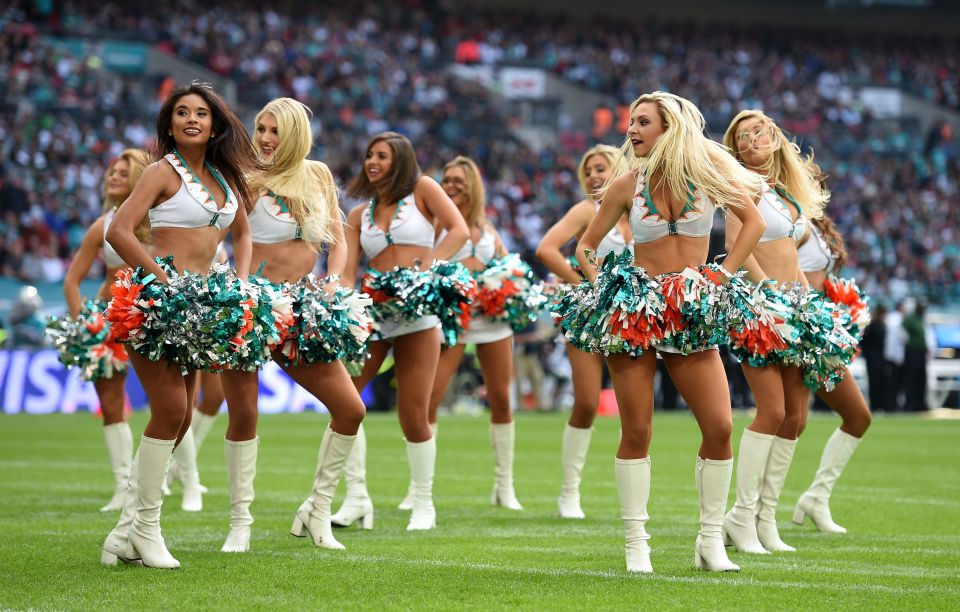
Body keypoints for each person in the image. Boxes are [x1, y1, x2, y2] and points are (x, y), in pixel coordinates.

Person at [558, 92, 766, 572]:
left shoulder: (708, 174)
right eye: (631, 122)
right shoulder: (626, 184)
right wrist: (610, 288)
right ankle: (637, 545)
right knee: (638, 430)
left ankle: (710, 541)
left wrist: (720, 273)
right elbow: (585, 249)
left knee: (719, 426)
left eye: (642, 122)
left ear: (669, 128)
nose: (630, 130)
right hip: (639, 312)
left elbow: (752, 222)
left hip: (691, 310)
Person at [100, 81, 257, 569]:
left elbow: (244, 232)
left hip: (203, 308)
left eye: (202, 114)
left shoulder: (224, 176)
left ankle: (123, 536)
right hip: (157, 303)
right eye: (182, 112)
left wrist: (241, 284)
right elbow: (119, 230)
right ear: (169, 124)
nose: (193, 119)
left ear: (215, 125)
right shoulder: (161, 171)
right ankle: (146, 532)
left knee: (184, 415)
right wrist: (161, 277)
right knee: (170, 410)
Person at [214, 97, 368, 553]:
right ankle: (239, 523)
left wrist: (336, 281)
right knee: (243, 414)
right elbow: (218, 234)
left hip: (301, 305)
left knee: (351, 410)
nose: (263, 138)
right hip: (250, 306)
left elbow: (338, 240)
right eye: (260, 128)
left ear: (295, 134)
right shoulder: (241, 176)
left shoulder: (317, 174)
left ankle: (317, 511)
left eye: (273, 131)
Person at [331, 132, 468, 532]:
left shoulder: (422, 189)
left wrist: (426, 272)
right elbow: (348, 271)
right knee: (346, 402)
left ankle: (424, 502)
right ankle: (356, 497)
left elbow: (458, 230)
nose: (373, 162)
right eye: (369, 155)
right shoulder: (359, 215)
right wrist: (337, 299)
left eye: (382, 156)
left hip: (418, 314)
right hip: (375, 314)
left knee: (412, 412)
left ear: (401, 160)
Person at [721, 109, 837, 555]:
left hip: (796, 305)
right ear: (738, 148)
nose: (757, 137)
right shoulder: (741, 185)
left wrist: (811, 305)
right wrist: (768, 295)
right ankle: (741, 517)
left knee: (796, 418)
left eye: (762, 129)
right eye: (746, 135)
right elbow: (737, 247)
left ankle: (766, 519)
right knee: (770, 412)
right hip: (759, 306)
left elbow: (790, 252)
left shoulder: (785, 191)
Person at [414, 155, 531, 512]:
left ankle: (504, 486)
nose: (450, 185)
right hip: (453, 319)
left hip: (491, 321)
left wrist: (503, 287)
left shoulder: (487, 227)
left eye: (458, 180)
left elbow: (511, 266)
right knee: (429, 397)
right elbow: (423, 264)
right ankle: (419, 488)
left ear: (473, 185)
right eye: (446, 179)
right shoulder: (433, 223)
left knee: (500, 397)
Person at [535, 144, 633, 519]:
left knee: (632, 407)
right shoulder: (586, 210)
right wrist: (581, 282)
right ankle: (569, 492)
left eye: (601, 168)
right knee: (587, 402)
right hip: (590, 313)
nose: (593, 175)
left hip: (631, 315)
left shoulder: (641, 208)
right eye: (588, 170)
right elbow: (547, 248)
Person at [57, 149, 151, 512]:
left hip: (149, 321)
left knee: (170, 404)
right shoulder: (103, 224)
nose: (113, 177)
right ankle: (122, 485)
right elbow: (72, 280)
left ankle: (178, 479)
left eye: (123, 173)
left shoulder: (158, 220)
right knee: (111, 406)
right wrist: (85, 322)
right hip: (109, 320)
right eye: (112, 171)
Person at [791, 214, 872, 533]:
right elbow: (776, 263)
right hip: (803, 327)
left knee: (857, 417)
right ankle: (748, 511)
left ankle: (816, 497)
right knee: (791, 422)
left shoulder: (811, 220)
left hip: (820, 329)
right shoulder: (791, 221)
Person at [902, 302, 930, 411]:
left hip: (921, 352)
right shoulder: (911, 319)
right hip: (913, 352)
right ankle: (910, 405)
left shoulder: (921, 319)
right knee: (912, 379)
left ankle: (920, 404)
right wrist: (908, 342)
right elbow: (901, 331)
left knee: (922, 379)